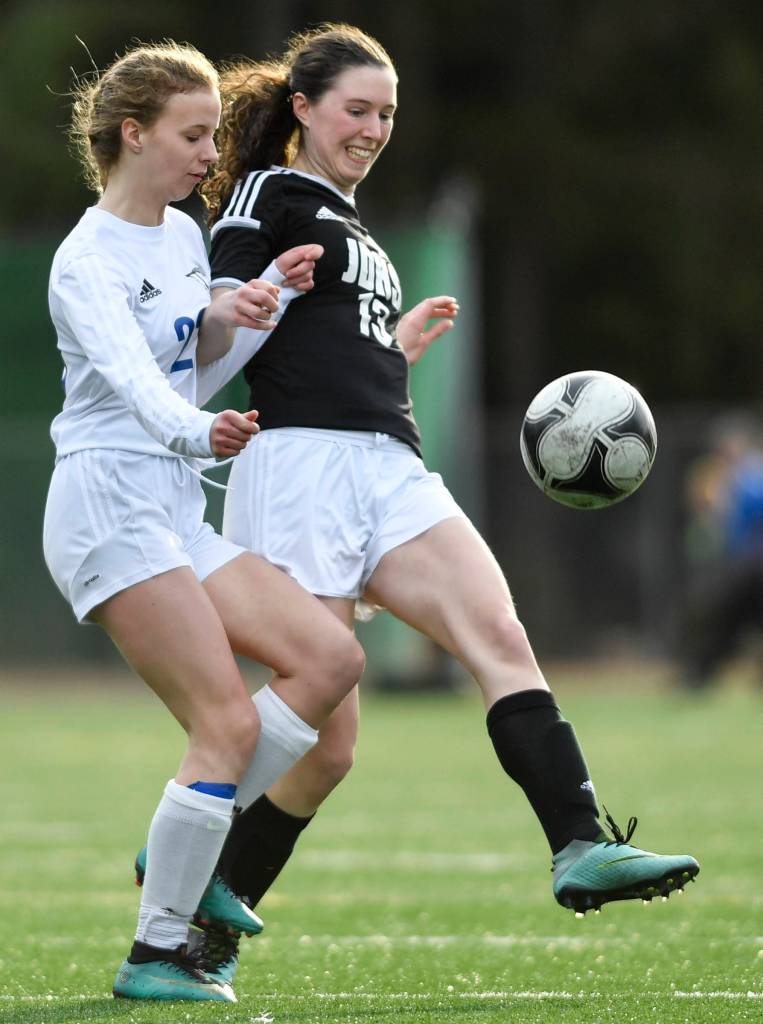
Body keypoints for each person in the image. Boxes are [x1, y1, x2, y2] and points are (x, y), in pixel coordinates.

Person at [198, 23, 700, 983]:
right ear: (301, 109)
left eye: (387, 112)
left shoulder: (352, 221)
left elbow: (329, 346)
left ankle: (579, 842)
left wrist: (396, 348)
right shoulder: (268, 194)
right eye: (357, 109)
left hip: (387, 465)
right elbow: (214, 352)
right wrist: (253, 292)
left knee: (497, 634)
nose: (374, 127)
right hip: (298, 467)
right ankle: (191, 888)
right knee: (328, 743)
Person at [43, 40, 365, 1003]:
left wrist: (261, 308)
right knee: (223, 722)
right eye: (192, 134)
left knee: (327, 659)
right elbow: (140, 389)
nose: (207, 152)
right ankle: (155, 951)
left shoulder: (186, 235)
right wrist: (198, 430)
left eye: (213, 132)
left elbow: (197, 363)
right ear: (131, 134)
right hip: (109, 504)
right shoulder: (83, 258)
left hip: (173, 501)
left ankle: (182, 843)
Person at [679, 414, 763, 688]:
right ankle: (699, 674)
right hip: (736, 564)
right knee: (720, 618)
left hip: (750, 566)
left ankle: (699, 675)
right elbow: (711, 517)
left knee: (725, 617)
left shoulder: (751, 475)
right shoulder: (719, 478)